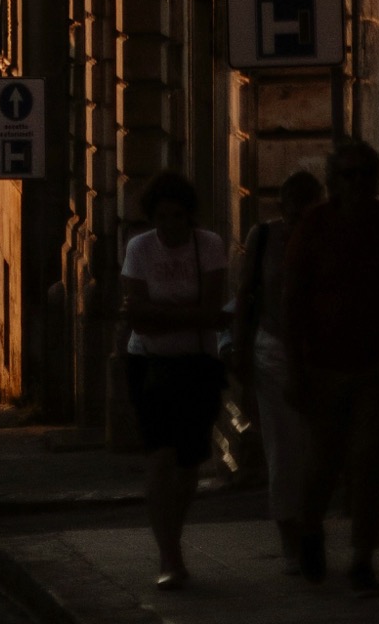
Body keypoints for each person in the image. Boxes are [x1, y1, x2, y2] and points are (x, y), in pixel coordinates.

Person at [281, 137, 379, 592]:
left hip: (378, 359)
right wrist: (293, 366)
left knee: (369, 456)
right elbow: (293, 297)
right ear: (334, 181)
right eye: (347, 174)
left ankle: (362, 557)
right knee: (323, 459)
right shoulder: (315, 225)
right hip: (323, 362)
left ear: (376, 179)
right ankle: (311, 528)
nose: (357, 183)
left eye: (364, 174)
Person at [119, 170, 229, 592]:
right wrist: (188, 315)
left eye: (178, 217)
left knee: (188, 464)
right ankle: (169, 555)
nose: (170, 226)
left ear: (190, 217)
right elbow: (137, 319)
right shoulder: (140, 248)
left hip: (197, 365)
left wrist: (159, 315)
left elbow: (211, 308)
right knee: (160, 457)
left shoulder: (210, 246)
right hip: (148, 365)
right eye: (161, 217)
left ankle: (174, 536)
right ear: (152, 218)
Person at [229, 166, 323, 567]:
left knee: (315, 450)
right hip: (274, 351)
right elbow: (245, 292)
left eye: (306, 210)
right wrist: (240, 350)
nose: (297, 218)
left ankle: (312, 530)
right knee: (284, 451)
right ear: (281, 206)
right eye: (291, 210)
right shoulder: (265, 237)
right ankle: (290, 537)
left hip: (321, 354)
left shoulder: (325, 237)